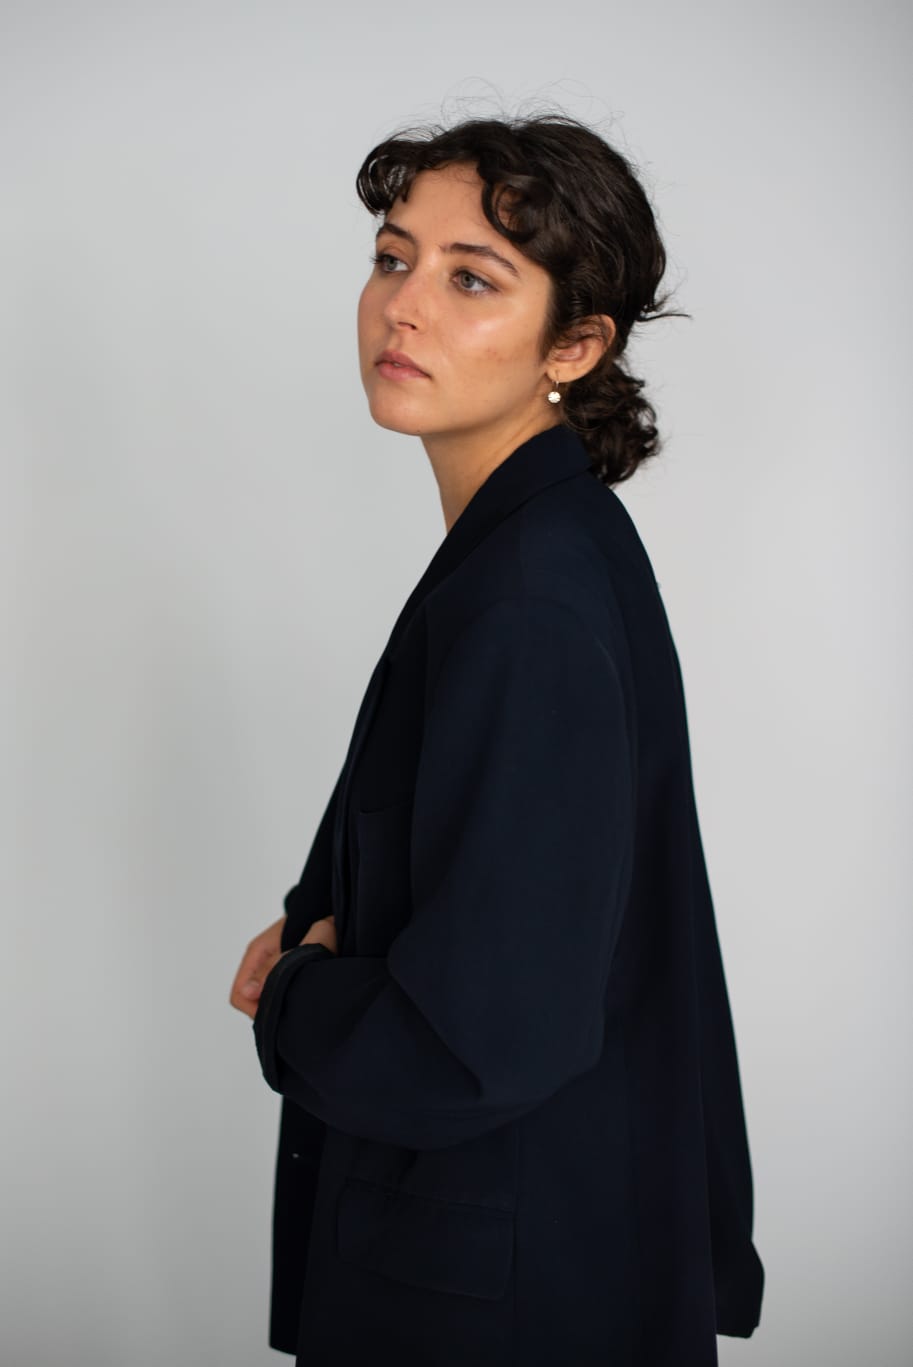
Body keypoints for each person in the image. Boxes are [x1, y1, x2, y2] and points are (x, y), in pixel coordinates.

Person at [229, 112, 764, 1366]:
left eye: (472, 278)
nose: (403, 305)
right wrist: (329, 912)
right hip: (531, 1248)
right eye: (392, 257)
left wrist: (297, 993)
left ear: (573, 345)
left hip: (492, 1297)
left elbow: (481, 1037)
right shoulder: (536, 550)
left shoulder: (527, 596)